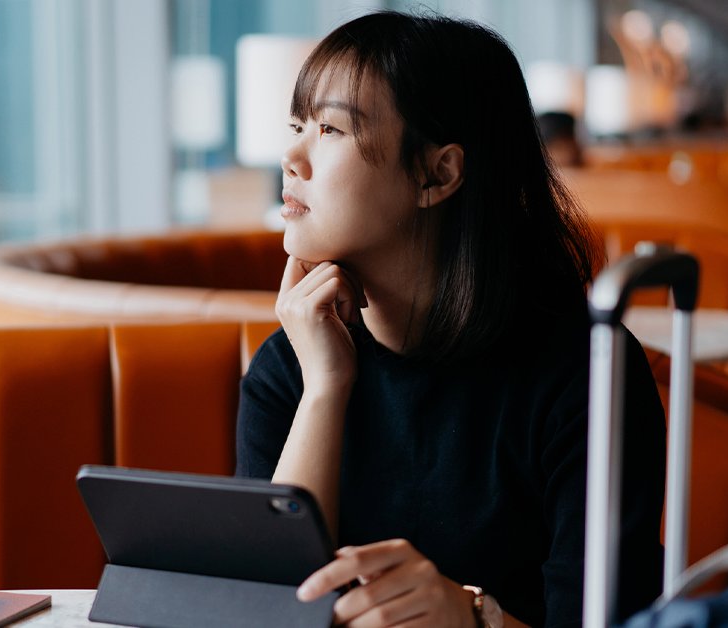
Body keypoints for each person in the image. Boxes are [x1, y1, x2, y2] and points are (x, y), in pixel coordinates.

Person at [236, 11, 666, 628]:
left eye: (329, 128)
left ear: (438, 174)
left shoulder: (585, 374)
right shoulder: (291, 366)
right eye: (297, 125)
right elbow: (261, 612)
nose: (291, 156)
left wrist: (471, 617)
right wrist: (325, 391)